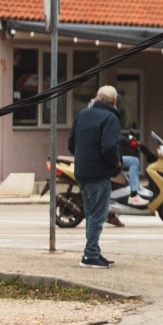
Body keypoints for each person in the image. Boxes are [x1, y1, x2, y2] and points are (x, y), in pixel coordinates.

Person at [68, 85, 123, 268]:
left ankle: (94, 251)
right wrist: (116, 162)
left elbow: (71, 143)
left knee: (91, 215)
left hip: (82, 172)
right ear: (114, 101)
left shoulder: (83, 114)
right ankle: (90, 255)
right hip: (99, 174)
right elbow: (109, 146)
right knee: (98, 217)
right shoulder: (110, 118)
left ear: (97, 98)